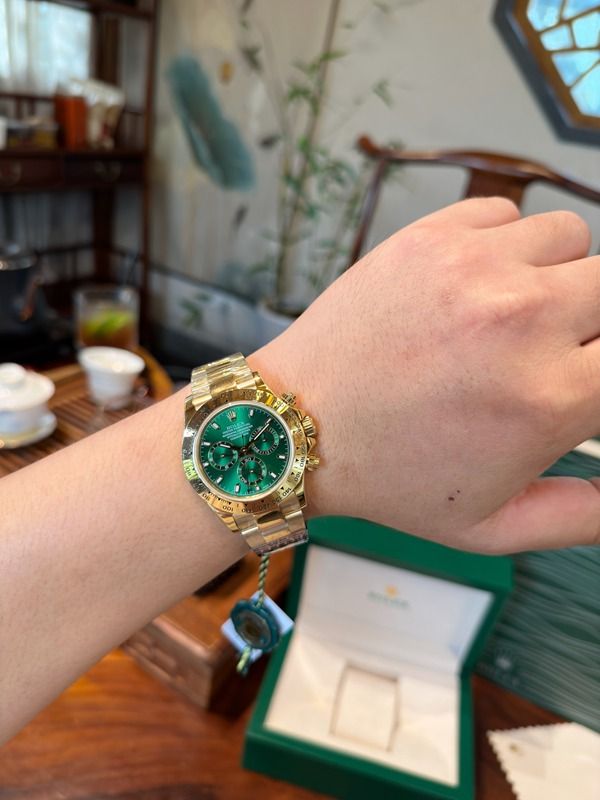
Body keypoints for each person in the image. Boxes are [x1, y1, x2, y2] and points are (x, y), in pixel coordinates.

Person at [1, 197, 599, 745]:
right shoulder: (236, 431)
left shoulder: (269, 445)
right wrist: (311, 396)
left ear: (301, 443)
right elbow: (217, 435)